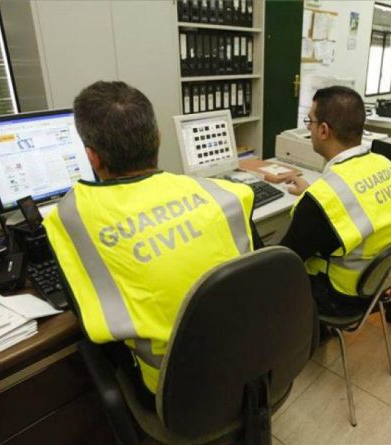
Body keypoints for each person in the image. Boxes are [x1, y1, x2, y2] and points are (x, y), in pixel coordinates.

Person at [43, 81, 259, 406]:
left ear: (92, 157)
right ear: (158, 138)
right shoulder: (223, 195)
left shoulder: (70, 220)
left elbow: (87, 319)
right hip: (248, 362)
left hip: (171, 392)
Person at [280, 86, 391, 317]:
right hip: (381, 282)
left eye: (310, 122)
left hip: (340, 295)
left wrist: (315, 197)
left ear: (323, 130)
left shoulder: (322, 201)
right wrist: (315, 191)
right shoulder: (386, 166)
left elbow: (286, 259)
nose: (309, 128)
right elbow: (367, 199)